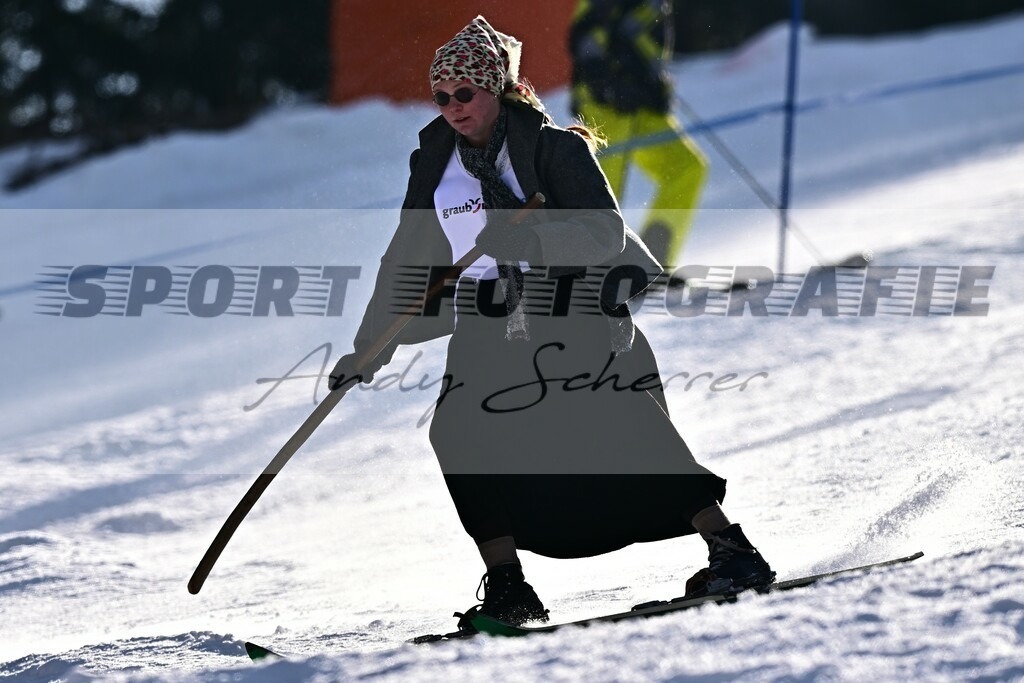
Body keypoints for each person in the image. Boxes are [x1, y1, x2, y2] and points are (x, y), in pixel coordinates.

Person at [329, 16, 772, 628]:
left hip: (571, 305)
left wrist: (527, 238)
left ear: (498, 89)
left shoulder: (553, 147)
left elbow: (603, 232)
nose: (453, 107)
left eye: (466, 93)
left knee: (613, 417)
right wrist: (366, 351)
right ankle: (510, 589)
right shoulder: (434, 163)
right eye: (442, 96)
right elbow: (405, 257)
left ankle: (732, 551)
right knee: (458, 433)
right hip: (485, 321)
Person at [569, 0, 708, 268]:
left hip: (643, 107)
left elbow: (648, 48)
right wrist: (608, 85)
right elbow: (584, 40)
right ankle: (588, 271)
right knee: (602, 190)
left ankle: (652, 263)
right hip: (605, 107)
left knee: (686, 168)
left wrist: (657, 87)